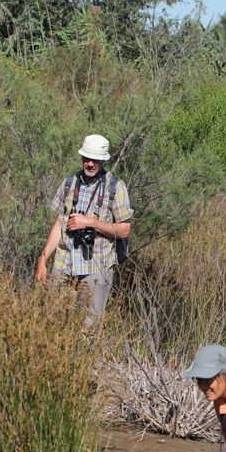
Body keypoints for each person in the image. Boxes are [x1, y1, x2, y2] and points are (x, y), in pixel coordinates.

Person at [35, 134, 133, 327]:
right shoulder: (70, 182)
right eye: (86, 158)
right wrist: (43, 259)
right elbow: (59, 223)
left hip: (96, 266)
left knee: (91, 326)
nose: (89, 164)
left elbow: (124, 230)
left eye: (94, 160)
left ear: (103, 160)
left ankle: (85, 357)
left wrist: (90, 223)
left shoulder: (115, 187)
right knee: (53, 321)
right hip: (64, 263)